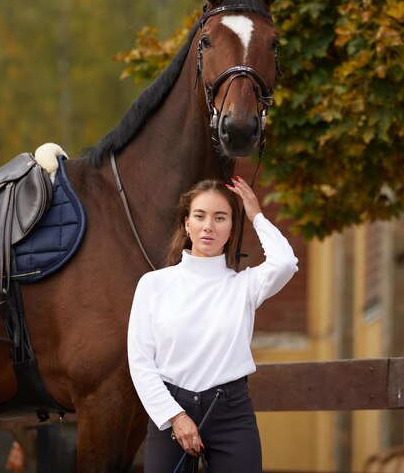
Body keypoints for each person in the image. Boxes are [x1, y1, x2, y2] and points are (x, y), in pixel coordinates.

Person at [127, 176, 298, 473]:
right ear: (186, 224)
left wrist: (256, 215)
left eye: (220, 217)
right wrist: (176, 417)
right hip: (170, 412)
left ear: (231, 228)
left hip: (230, 413)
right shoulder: (153, 285)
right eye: (200, 216)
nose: (209, 226)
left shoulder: (244, 286)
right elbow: (140, 362)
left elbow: (284, 262)